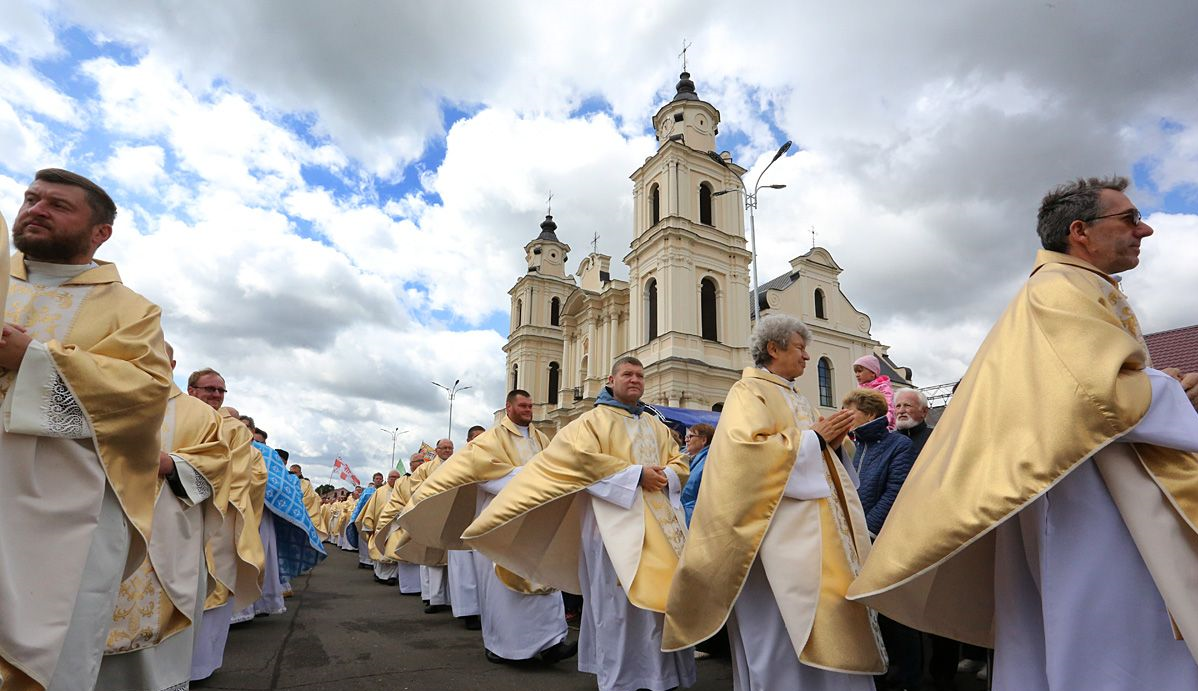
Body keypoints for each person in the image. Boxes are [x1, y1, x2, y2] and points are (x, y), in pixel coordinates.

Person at [848, 176, 1198, 690]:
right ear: (1080, 231)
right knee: (1108, 637)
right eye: (1129, 219)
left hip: (1083, 485)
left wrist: (1156, 385)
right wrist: (1168, 388)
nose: (1143, 230)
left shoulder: (1073, 288)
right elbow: (1096, 392)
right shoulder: (1060, 290)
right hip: (1085, 502)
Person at [0, 169, 173, 691]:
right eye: (31, 198)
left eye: (58, 205)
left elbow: (145, 392)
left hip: (71, 504)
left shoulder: (131, 310)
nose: (36, 209)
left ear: (101, 232)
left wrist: (34, 359)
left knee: (56, 653)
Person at [662, 315, 883, 691]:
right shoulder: (748, 392)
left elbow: (820, 453)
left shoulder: (798, 398)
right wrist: (814, 440)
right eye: (800, 348)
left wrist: (834, 442)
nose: (807, 356)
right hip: (770, 538)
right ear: (773, 349)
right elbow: (745, 454)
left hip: (819, 539)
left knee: (826, 616)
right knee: (777, 631)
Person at [464, 356, 696, 691]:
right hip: (611, 528)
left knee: (662, 603)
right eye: (627, 374)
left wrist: (670, 473)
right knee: (619, 607)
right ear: (611, 380)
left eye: (640, 375)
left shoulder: (655, 423)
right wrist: (635, 475)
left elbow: (679, 459)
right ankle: (624, 680)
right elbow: (578, 462)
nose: (635, 380)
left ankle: (664, 676)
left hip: (661, 529)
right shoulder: (590, 422)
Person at [400, 390, 575, 664]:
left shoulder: (541, 438)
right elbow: (481, 474)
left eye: (530, 405)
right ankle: (504, 647)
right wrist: (529, 479)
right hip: (500, 522)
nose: (529, 410)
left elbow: (553, 468)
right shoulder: (490, 439)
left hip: (535, 521)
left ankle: (551, 642)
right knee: (503, 590)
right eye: (523, 405)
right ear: (509, 407)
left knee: (545, 580)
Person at [97, 343, 232, 691]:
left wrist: (170, 464)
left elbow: (218, 465)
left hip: (168, 536)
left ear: (171, 364)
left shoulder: (199, 415)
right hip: (94, 528)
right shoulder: (96, 392)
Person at [842, 388, 918, 690]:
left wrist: (867, 530)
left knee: (895, 612)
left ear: (870, 414)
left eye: (851, 413)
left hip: (882, 539)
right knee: (870, 609)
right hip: (857, 537)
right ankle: (881, 669)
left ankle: (908, 676)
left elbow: (895, 490)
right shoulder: (854, 446)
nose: (845, 417)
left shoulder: (898, 444)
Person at [362, 470, 403, 585]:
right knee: (379, 550)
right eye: (392, 477)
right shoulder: (379, 492)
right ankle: (378, 574)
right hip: (380, 526)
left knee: (393, 550)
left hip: (396, 526)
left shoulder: (402, 491)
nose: (394, 479)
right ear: (388, 478)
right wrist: (369, 525)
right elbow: (371, 509)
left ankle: (392, 576)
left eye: (397, 477)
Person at [679, 423, 715, 525]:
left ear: (703, 440)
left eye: (690, 436)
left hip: (695, 517)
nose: (686, 440)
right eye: (686, 437)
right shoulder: (682, 457)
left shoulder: (709, 461)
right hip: (683, 513)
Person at [852, 354, 895, 429]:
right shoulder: (858, 390)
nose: (857, 375)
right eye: (856, 372)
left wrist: (884, 423)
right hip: (863, 427)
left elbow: (889, 407)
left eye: (860, 371)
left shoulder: (883, 388)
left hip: (882, 427)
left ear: (873, 373)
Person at [892, 389, 932, 457]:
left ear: (924, 411)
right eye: (898, 406)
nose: (901, 411)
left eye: (907, 405)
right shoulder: (886, 441)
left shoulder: (935, 437)